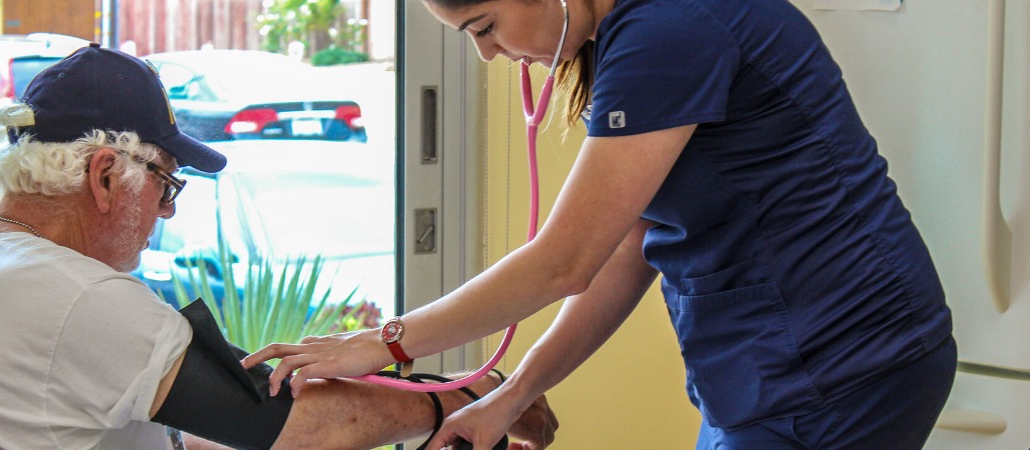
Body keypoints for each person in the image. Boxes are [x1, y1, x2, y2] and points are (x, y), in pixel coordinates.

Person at [243, 0, 957, 449]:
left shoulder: (672, 28)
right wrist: (510, 396)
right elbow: (627, 248)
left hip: (839, 367)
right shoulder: (633, 36)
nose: (487, 54)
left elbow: (565, 262)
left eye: (484, 27)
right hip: (776, 368)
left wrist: (382, 343)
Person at [0, 43, 557, 450]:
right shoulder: (81, 300)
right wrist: (469, 399)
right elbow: (301, 431)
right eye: (165, 183)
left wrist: (442, 391)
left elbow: (195, 425)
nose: (168, 209)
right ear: (102, 176)